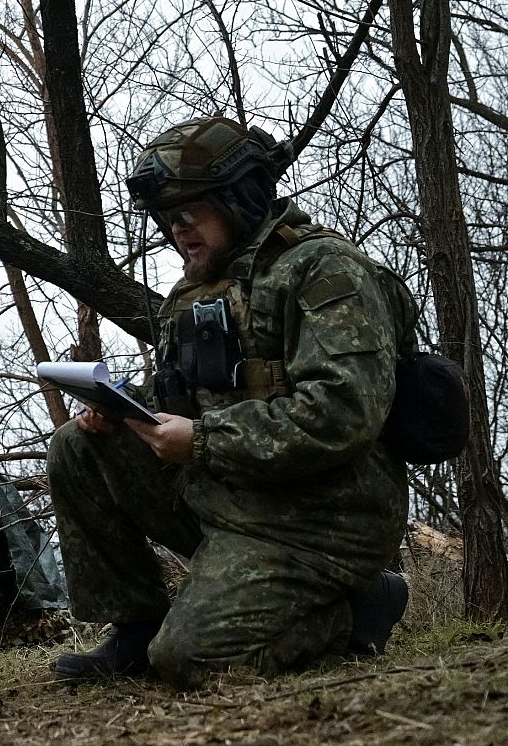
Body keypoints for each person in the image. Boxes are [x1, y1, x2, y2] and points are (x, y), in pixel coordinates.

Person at [47, 116, 412, 687]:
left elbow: (343, 413)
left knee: (192, 659)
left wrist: (205, 440)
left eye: (188, 214)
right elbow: (182, 395)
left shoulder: (324, 270)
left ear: (237, 198)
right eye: (168, 220)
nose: (177, 231)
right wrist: (121, 407)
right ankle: (137, 627)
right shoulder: (197, 287)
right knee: (78, 445)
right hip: (233, 495)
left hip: (321, 518)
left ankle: (358, 606)